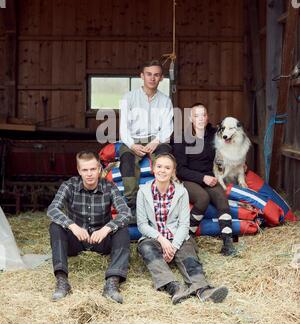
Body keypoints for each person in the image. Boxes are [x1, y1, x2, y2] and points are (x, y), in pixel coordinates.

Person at [136, 153, 228, 304]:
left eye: (167, 168)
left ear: (173, 171)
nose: (162, 170)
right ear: (153, 169)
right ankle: (174, 288)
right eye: (159, 166)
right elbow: (142, 224)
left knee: (189, 254)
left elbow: (184, 225)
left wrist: (173, 246)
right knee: (146, 248)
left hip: (177, 238)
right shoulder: (143, 192)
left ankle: (203, 290)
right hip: (154, 239)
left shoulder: (181, 192)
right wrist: (162, 240)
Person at [47, 151, 131, 303]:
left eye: (93, 169)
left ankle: (112, 283)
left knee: (123, 230)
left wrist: (107, 228)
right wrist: (72, 226)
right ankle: (62, 281)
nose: (89, 174)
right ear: (79, 170)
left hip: (101, 240)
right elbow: (52, 209)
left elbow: (126, 212)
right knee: (55, 226)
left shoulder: (109, 187)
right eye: (85, 170)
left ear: (99, 168)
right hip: (76, 240)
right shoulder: (69, 185)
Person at [172, 103, 236, 256]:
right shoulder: (181, 138)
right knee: (203, 198)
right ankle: (189, 234)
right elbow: (180, 170)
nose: (201, 119)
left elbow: (233, 138)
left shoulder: (214, 134)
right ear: (190, 118)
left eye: (203, 115)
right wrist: (202, 178)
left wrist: (240, 161)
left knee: (221, 197)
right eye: (196, 115)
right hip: (189, 178)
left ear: (207, 117)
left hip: (210, 176)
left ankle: (227, 241)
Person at [119, 60, 173, 219]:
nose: (152, 78)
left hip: (157, 140)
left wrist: (156, 142)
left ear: (161, 78)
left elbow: (167, 128)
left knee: (165, 159)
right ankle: (132, 204)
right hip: (133, 139)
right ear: (141, 76)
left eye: (156, 75)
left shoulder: (165, 101)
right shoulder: (129, 97)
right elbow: (123, 127)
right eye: (149, 74)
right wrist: (132, 144)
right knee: (127, 160)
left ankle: (162, 199)